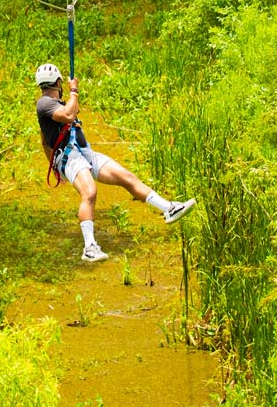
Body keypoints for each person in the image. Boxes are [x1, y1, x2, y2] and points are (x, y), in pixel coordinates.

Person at [33, 62, 195, 261]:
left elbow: (43, 140)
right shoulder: (45, 103)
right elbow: (67, 116)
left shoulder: (55, 104)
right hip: (69, 157)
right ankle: (89, 247)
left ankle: (168, 208)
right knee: (89, 192)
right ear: (58, 82)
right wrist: (74, 90)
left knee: (126, 177)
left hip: (84, 153)